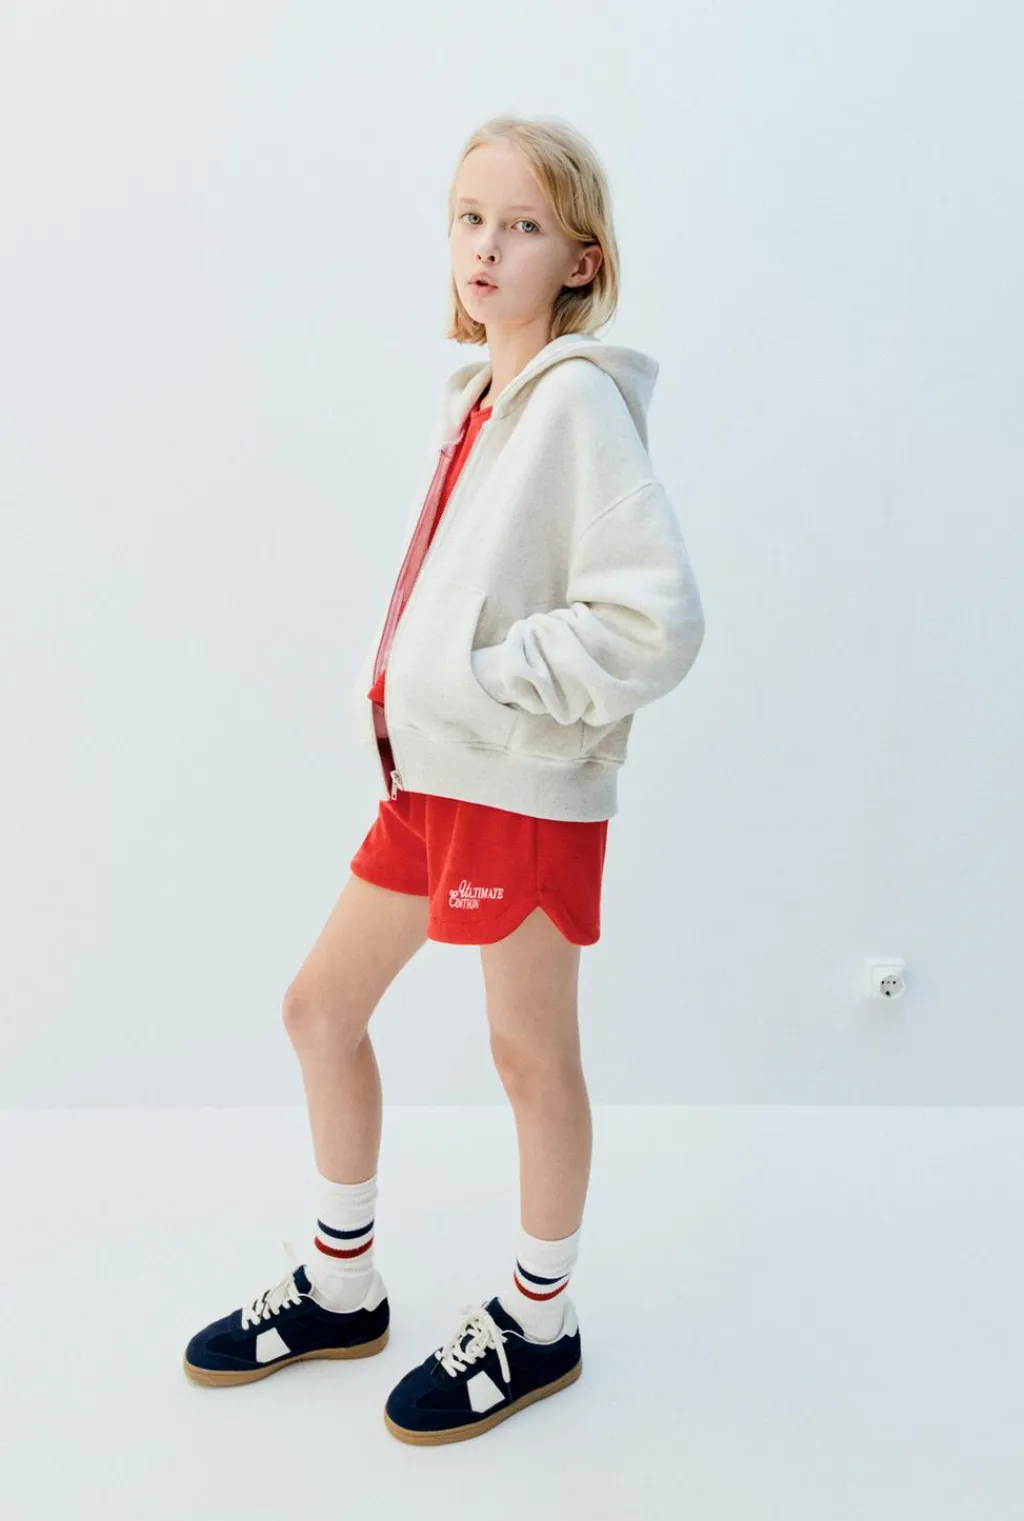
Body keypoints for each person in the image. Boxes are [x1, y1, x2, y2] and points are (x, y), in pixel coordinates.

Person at [182, 114, 705, 1445]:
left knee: (528, 1054)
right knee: (319, 1011)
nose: (486, 246)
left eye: (522, 226)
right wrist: (442, 701)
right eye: (470, 218)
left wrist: (492, 679)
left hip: (516, 785)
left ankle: (541, 1320)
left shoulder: (579, 402)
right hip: (429, 783)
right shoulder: (473, 396)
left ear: (580, 261)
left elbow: (656, 620)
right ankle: (341, 1286)